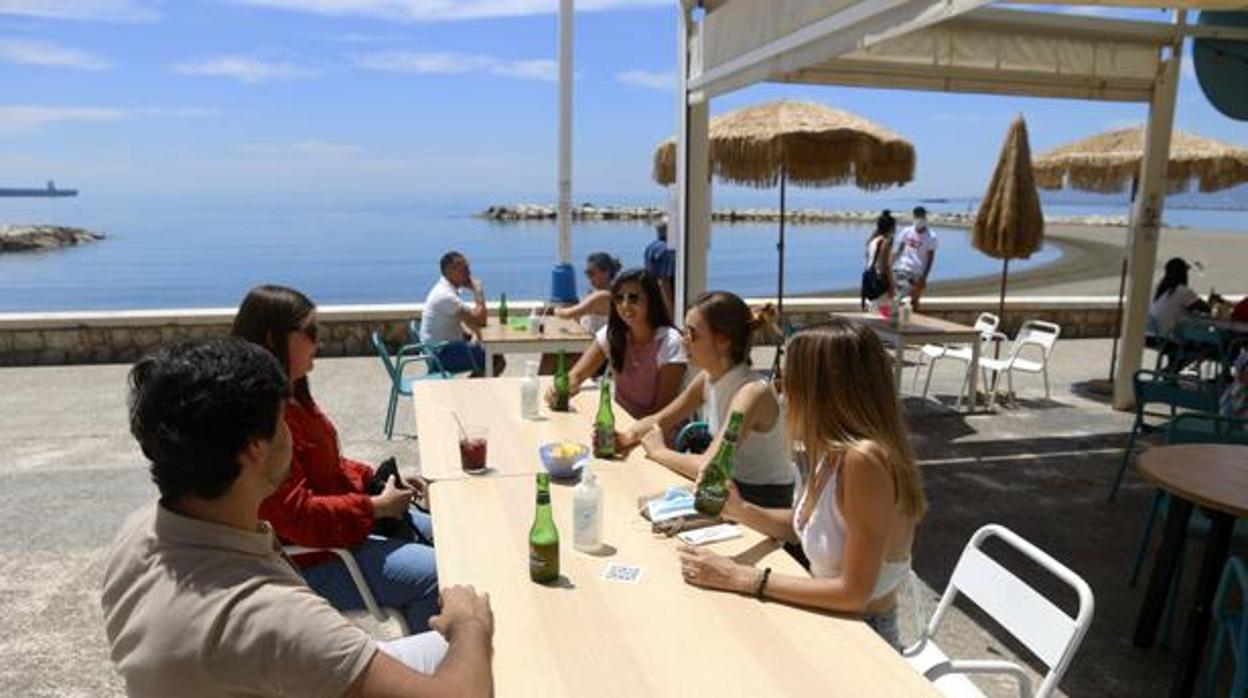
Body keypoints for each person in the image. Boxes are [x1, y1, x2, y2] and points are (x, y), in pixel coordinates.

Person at [102, 339, 494, 697]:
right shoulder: (273, 618)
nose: (291, 434)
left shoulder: (137, 534)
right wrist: (469, 626)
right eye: (282, 422)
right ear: (255, 449)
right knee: (493, 651)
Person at [675, 320, 926, 650]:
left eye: (788, 377)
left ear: (822, 388)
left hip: (863, 637)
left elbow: (853, 593)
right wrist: (741, 510)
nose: (780, 387)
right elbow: (807, 528)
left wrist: (740, 577)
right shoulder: (834, 451)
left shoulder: (864, 461)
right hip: (834, 621)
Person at [233, 285, 439, 633]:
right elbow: (296, 516)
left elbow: (330, 465)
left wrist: (379, 482)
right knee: (437, 574)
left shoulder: (294, 396)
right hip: (313, 559)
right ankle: (434, 675)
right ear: (272, 337)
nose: (319, 342)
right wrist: (374, 507)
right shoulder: (264, 420)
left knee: (451, 531)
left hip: (342, 534)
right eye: (310, 332)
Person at [615, 291, 795, 508]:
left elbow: (711, 466)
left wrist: (659, 452)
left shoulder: (751, 392)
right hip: (730, 491)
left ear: (723, 340)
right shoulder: (708, 378)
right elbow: (661, 420)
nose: (683, 341)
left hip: (761, 504)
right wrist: (626, 437)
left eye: (692, 334)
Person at [544, 268, 686, 420]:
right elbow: (577, 375)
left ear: (651, 300)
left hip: (655, 433)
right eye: (619, 298)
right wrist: (562, 389)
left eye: (633, 298)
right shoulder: (613, 334)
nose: (625, 305)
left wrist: (630, 434)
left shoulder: (670, 342)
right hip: (619, 424)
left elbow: (664, 411)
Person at [419, 251, 504, 377]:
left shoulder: (445, 290)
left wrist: (470, 334)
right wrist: (478, 291)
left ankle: (468, 390)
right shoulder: (445, 296)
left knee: (491, 353)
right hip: (441, 355)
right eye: (464, 269)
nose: (469, 274)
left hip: (436, 351)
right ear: (450, 271)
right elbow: (480, 320)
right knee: (495, 358)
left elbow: (468, 318)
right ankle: (468, 392)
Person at [1147, 257, 1211, 371]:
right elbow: (1206, 309)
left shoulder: (1157, 289)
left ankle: (1170, 376)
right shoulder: (1183, 291)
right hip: (1166, 338)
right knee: (1205, 347)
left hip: (1150, 335)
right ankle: (1169, 373)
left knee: (1180, 342)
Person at [554, 251, 622, 335]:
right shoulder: (610, 293)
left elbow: (567, 314)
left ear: (606, 273)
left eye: (591, 273)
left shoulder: (603, 296)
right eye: (587, 273)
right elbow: (583, 317)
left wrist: (555, 310)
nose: (588, 277)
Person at [892, 206, 938, 310]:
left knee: (914, 301)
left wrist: (924, 278)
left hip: (917, 273)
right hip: (901, 269)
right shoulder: (906, 231)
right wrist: (889, 265)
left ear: (925, 216)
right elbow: (898, 251)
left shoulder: (931, 237)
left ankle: (914, 323)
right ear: (913, 216)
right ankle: (887, 319)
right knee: (895, 298)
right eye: (917, 215)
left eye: (921, 215)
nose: (920, 218)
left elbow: (930, 259)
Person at [861, 210, 896, 310]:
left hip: (869, 278)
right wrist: (892, 285)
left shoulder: (872, 240)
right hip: (880, 280)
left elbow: (868, 258)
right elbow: (886, 265)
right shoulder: (886, 241)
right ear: (891, 227)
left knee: (874, 308)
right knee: (884, 312)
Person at [644, 221, 676, 319]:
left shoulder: (650, 247)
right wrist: (670, 312)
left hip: (651, 295)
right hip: (664, 299)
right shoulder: (667, 250)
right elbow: (663, 281)